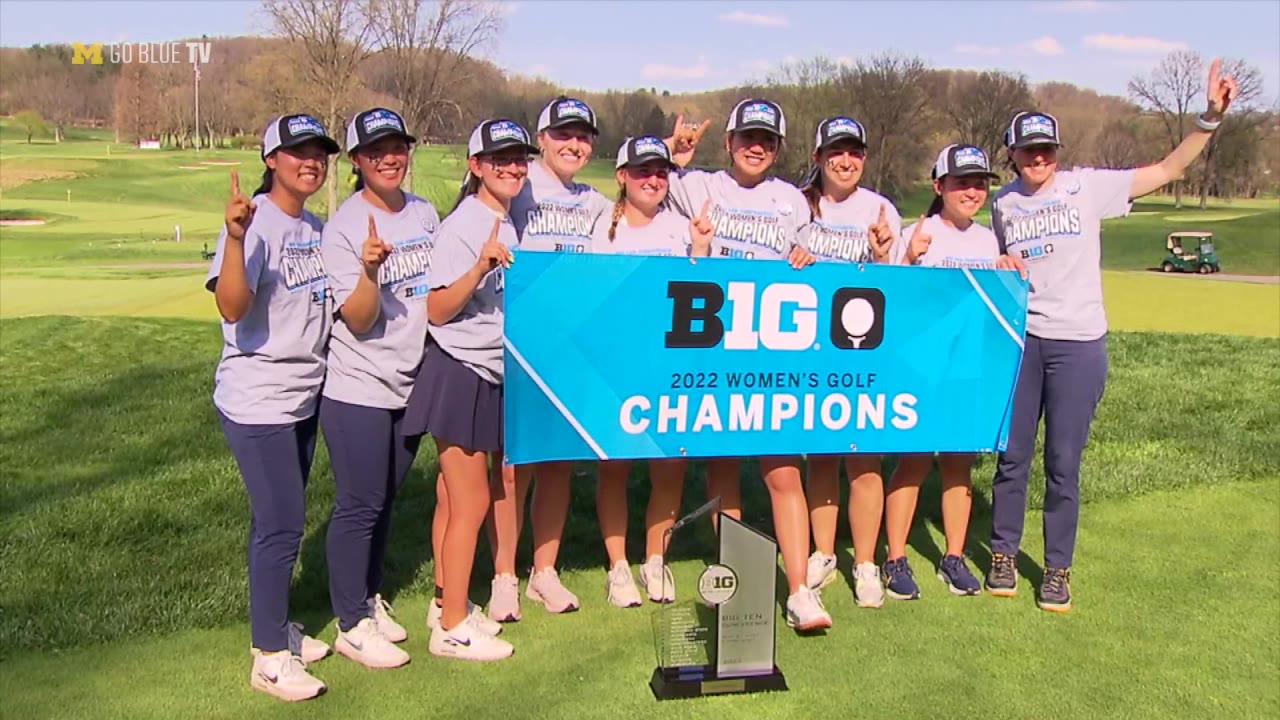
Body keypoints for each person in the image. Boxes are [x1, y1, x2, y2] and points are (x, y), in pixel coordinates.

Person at [986, 60, 1238, 613]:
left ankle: (1057, 569)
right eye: (1029, 150)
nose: (1039, 158)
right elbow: (994, 259)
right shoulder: (1001, 203)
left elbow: (1169, 168)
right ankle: (1003, 552)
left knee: (1063, 462)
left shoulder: (1088, 187)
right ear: (1012, 154)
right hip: (1023, 343)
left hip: (1078, 345)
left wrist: (1210, 120)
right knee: (1012, 455)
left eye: (1047, 148)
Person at [665, 98, 829, 632]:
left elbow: (811, 264)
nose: (756, 147)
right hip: (715, 352)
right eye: (747, 137)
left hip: (773, 355)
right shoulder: (698, 186)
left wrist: (806, 259)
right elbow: (640, 191)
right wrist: (675, 153)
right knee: (722, 472)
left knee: (783, 469)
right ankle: (733, 577)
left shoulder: (793, 202)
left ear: (779, 149)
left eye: (768, 140)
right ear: (729, 142)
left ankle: (800, 589)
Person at [207, 114, 340, 702]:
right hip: (257, 398)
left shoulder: (314, 226)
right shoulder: (254, 225)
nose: (309, 161)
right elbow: (233, 307)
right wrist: (235, 238)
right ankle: (268, 656)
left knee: (278, 521)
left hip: (301, 396)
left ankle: (278, 624)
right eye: (296, 153)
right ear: (271, 160)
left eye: (318, 153)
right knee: (283, 523)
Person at [319, 107, 439, 668]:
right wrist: (368, 270)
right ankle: (350, 622)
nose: (390, 157)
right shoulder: (343, 227)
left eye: (397, 147)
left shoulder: (424, 212)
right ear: (357, 162)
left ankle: (368, 598)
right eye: (375, 151)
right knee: (360, 501)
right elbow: (361, 320)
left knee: (385, 500)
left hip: (409, 381)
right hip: (357, 385)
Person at [488, 96, 614, 622]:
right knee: (514, 469)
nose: (573, 144)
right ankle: (502, 575)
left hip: (567, 351)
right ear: (541, 139)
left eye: (582, 136)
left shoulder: (598, 203)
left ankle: (545, 571)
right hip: (514, 344)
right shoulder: (520, 185)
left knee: (558, 464)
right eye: (563, 134)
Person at [409, 118, 530, 660]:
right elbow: (435, 308)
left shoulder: (510, 219)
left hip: (488, 371)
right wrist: (480, 266)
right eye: (499, 159)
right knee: (472, 499)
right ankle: (452, 628)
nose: (512, 166)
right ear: (475, 166)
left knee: (449, 497)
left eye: (519, 158)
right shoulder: (464, 225)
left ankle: (444, 600)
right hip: (458, 370)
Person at [882, 143, 1024, 600]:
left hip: (970, 368)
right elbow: (892, 302)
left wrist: (1006, 269)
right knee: (915, 462)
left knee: (959, 466)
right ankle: (895, 558)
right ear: (939, 185)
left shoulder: (987, 240)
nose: (971, 191)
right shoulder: (915, 232)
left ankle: (954, 556)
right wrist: (908, 259)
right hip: (922, 369)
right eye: (961, 182)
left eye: (979, 183)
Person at [591, 135, 713, 607]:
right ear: (622, 176)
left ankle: (655, 559)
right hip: (615, 365)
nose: (653, 179)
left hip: (670, 366)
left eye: (661, 171)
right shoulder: (601, 227)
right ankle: (618, 565)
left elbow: (706, 299)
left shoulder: (684, 228)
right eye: (642, 171)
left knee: (669, 466)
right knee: (614, 466)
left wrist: (701, 249)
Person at [794, 116, 900, 610]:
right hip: (808, 349)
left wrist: (882, 258)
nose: (846, 160)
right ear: (818, 156)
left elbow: (897, 291)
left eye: (854, 151)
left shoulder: (881, 208)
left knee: (863, 457)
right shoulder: (798, 204)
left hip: (863, 351)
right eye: (836, 150)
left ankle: (864, 563)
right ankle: (822, 552)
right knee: (820, 453)